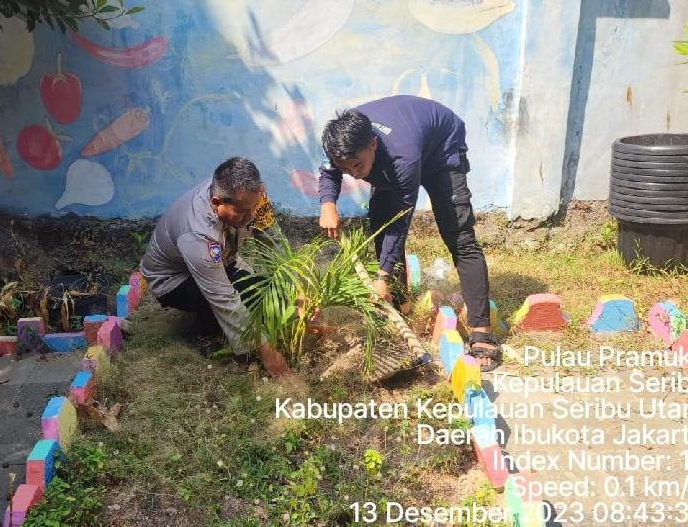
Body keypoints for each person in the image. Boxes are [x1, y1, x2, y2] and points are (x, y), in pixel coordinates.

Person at [316, 96, 501, 372]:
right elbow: (330, 171)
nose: (353, 175)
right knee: (379, 219)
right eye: (346, 169)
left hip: (441, 147)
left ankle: (481, 330)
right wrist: (327, 204)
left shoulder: (402, 157)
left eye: (357, 165)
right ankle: (399, 304)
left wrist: (381, 276)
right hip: (402, 146)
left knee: (459, 236)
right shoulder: (343, 137)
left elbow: (400, 223)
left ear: (373, 145)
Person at [140, 156, 290, 377]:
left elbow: (272, 238)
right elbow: (223, 297)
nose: (251, 216)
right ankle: (206, 334)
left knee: (258, 291)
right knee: (228, 300)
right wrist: (267, 352)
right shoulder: (198, 236)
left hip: (222, 260)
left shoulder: (252, 198)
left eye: (253, 208)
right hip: (173, 279)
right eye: (243, 212)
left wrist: (293, 283)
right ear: (216, 203)